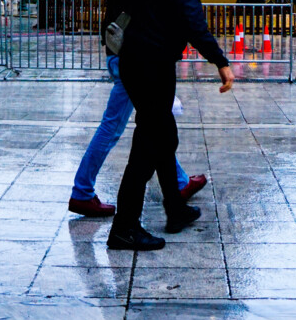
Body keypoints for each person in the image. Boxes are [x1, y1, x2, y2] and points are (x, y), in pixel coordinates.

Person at [105, 0, 234, 251]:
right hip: (155, 64)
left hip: (130, 64)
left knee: (163, 135)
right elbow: (194, 22)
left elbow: (108, 20)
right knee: (149, 142)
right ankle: (124, 228)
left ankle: (175, 209)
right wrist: (220, 61)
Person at [68, 53, 207, 217]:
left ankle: (180, 181)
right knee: (122, 127)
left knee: (154, 124)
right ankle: (82, 191)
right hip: (132, 60)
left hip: (122, 57)